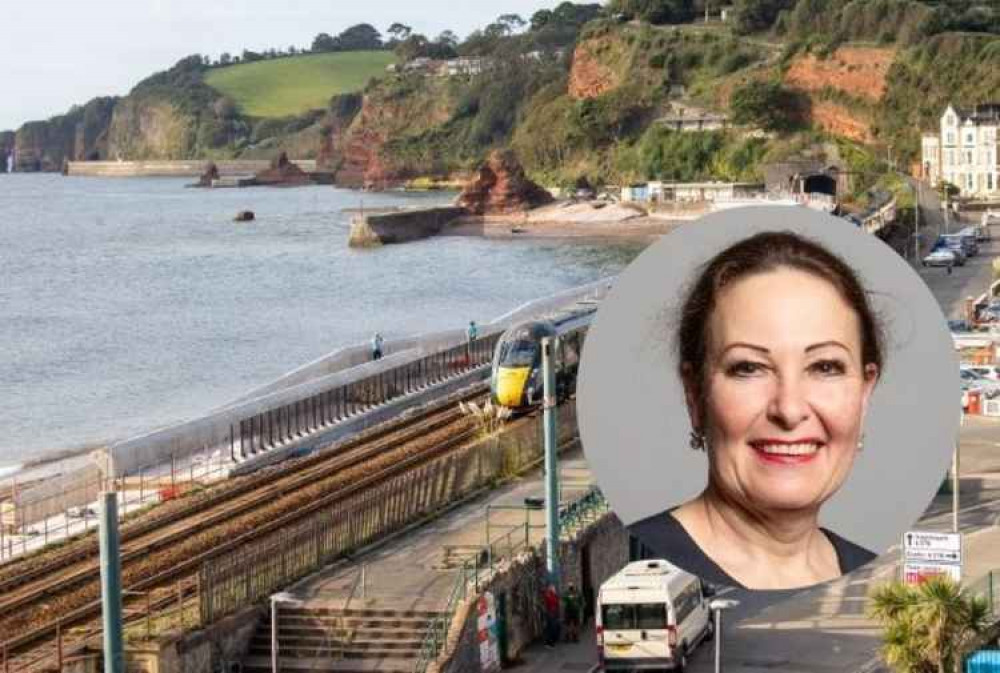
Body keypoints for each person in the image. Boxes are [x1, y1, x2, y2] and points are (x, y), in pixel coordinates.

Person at [629, 230, 882, 591]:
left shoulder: (863, 563)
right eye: (748, 368)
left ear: (864, 392)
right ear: (695, 394)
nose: (789, 409)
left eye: (825, 367)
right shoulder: (642, 553)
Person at [542, 582, 560, 648]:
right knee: (551, 628)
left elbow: (556, 603)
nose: (553, 588)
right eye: (552, 587)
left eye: (553, 587)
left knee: (553, 627)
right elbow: (549, 602)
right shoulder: (548, 595)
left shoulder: (554, 595)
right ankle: (549, 642)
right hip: (550, 612)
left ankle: (551, 641)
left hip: (554, 612)